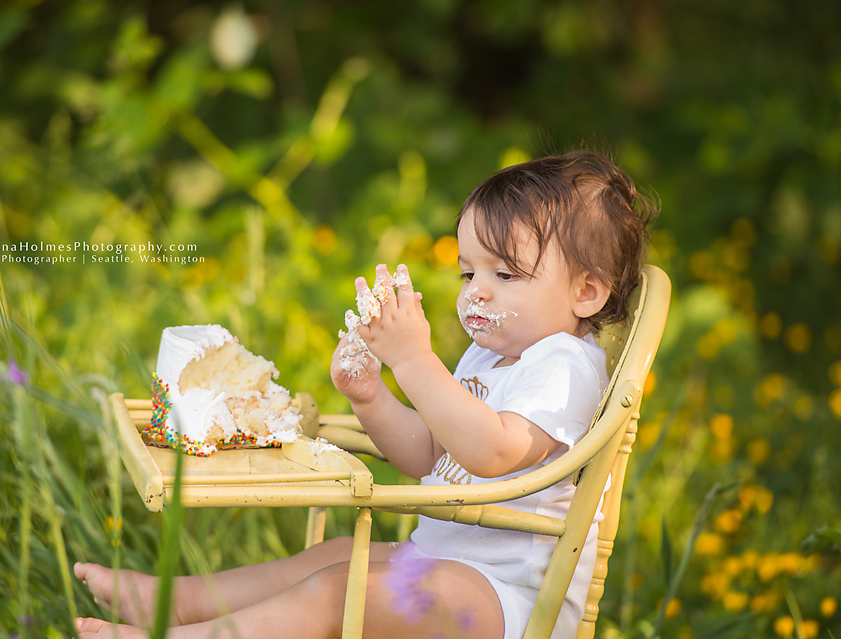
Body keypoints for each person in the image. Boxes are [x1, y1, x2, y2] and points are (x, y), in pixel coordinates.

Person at [73, 151, 657, 639]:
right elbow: (431, 454)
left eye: (504, 276)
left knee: (338, 591)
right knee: (328, 559)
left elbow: (493, 453)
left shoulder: (565, 364)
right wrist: (372, 396)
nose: (476, 292)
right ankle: (176, 603)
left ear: (586, 292)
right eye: (466, 274)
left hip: (508, 602)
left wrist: (413, 358)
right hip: (447, 568)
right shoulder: (489, 354)